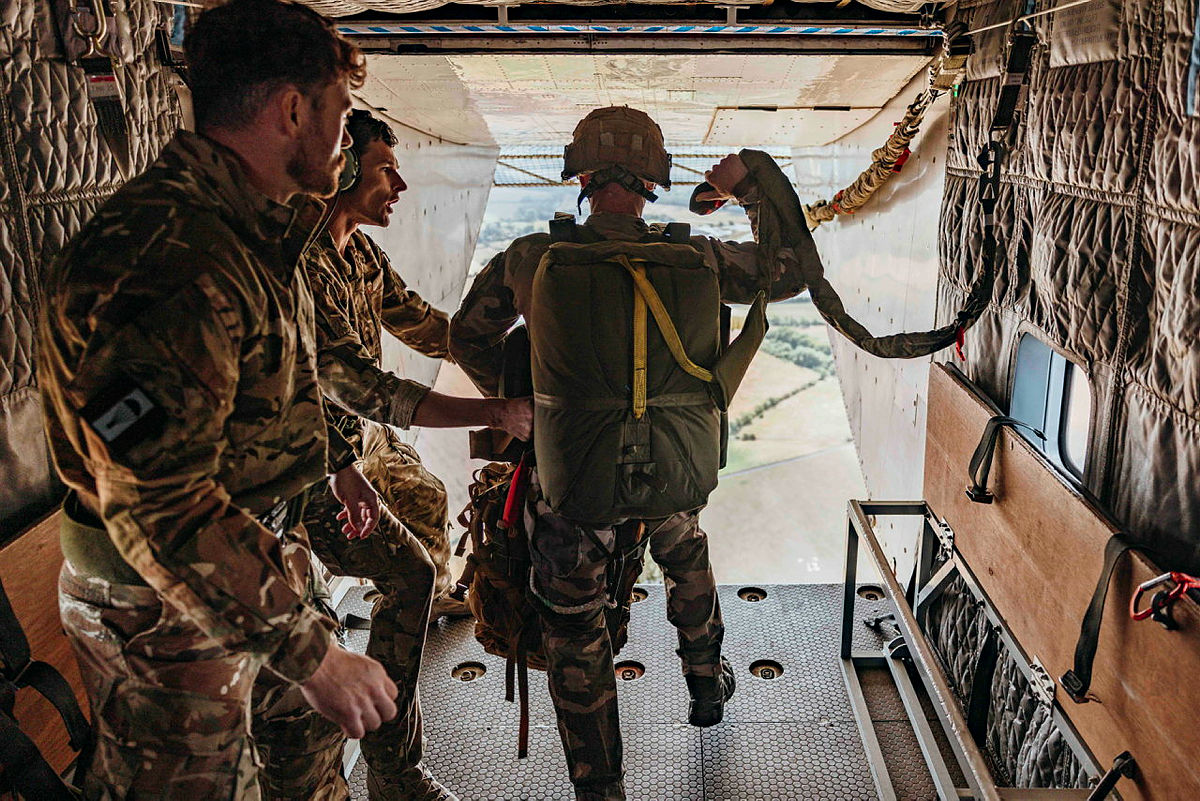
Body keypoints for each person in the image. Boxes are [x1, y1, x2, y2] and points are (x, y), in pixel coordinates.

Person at [38, 1, 395, 798]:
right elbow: (158, 503)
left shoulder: (248, 233)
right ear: (292, 111)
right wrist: (312, 654)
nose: (345, 141)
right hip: (164, 611)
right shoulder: (170, 259)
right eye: (341, 116)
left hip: (247, 566)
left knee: (307, 763)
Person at [449, 106, 821, 801]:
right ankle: (706, 686)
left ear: (581, 178)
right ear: (654, 182)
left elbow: (466, 336)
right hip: (671, 478)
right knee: (686, 555)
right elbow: (794, 269)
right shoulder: (702, 257)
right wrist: (746, 185)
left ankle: (601, 786)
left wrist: (530, 409)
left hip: (573, 488)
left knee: (574, 631)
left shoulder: (529, 258)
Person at [300, 108, 530, 800]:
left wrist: (513, 337)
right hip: (313, 461)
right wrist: (494, 412)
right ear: (344, 170)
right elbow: (363, 386)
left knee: (426, 497)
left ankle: (417, 612)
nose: (399, 186)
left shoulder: (360, 256)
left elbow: (429, 327)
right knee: (410, 570)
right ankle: (394, 770)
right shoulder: (304, 265)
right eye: (385, 170)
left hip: (356, 439)